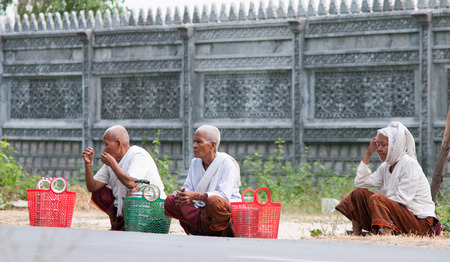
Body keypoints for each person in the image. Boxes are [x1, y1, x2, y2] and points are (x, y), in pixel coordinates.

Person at [335, 121, 441, 236]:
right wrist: (368, 154)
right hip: (399, 216)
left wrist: (377, 204)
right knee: (358, 194)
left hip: (419, 222)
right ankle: (356, 233)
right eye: (378, 145)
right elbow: (361, 183)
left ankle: (387, 234)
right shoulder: (386, 166)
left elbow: (403, 199)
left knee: (377, 199)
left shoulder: (409, 164)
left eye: (384, 145)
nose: (379, 149)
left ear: (395, 146)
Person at [82, 125, 166, 230]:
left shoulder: (137, 154)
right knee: (99, 193)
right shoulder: (113, 161)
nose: (105, 149)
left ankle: (125, 225)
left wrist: (113, 165)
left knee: (133, 192)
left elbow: (132, 183)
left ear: (118, 143)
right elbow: (93, 187)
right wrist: (88, 164)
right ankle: (117, 221)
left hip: (149, 208)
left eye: (106, 144)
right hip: (127, 210)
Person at [164, 125, 241, 237]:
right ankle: (205, 229)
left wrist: (196, 195)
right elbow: (188, 187)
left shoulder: (227, 163)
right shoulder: (195, 163)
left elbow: (224, 196)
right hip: (200, 210)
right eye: (194, 141)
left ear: (212, 145)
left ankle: (213, 230)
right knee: (171, 200)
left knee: (214, 202)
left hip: (219, 211)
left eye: (199, 142)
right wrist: (183, 195)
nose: (194, 146)